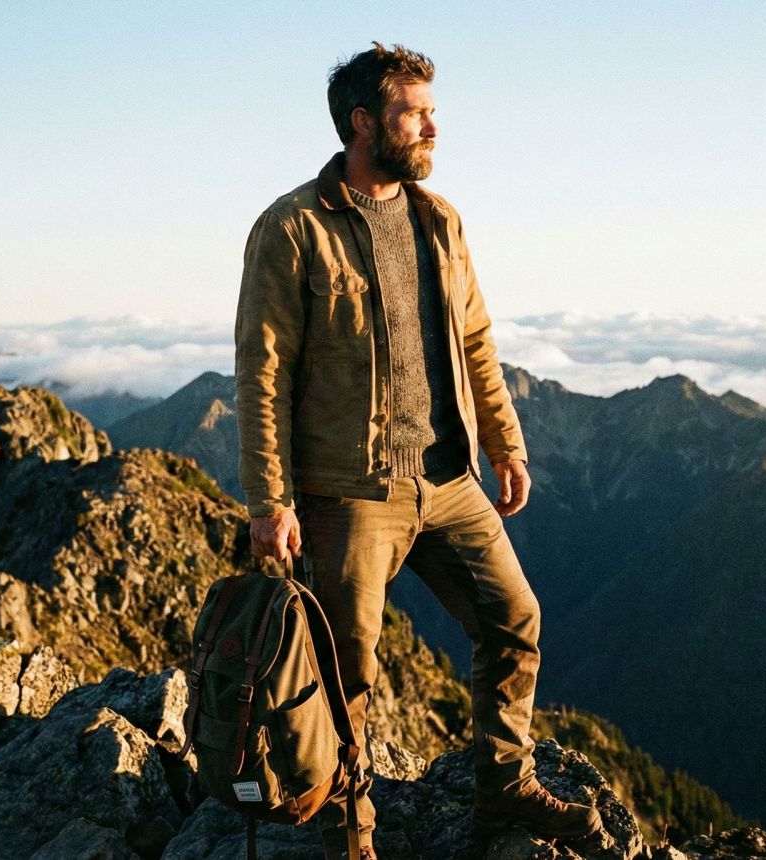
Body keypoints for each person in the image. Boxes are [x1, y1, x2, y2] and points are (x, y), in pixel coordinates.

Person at [233, 42, 602, 860]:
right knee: (345, 679)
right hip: (349, 493)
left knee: (514, 619)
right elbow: (262, 373)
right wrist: (269, 501)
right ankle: (349, 836)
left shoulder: (440, 220)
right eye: (414, 112)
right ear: (365, 122)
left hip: (448, 480)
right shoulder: (294, 229)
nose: (433, 126)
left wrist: (505, 443)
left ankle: (502, 786)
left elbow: (474, 338)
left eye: (431, 110)